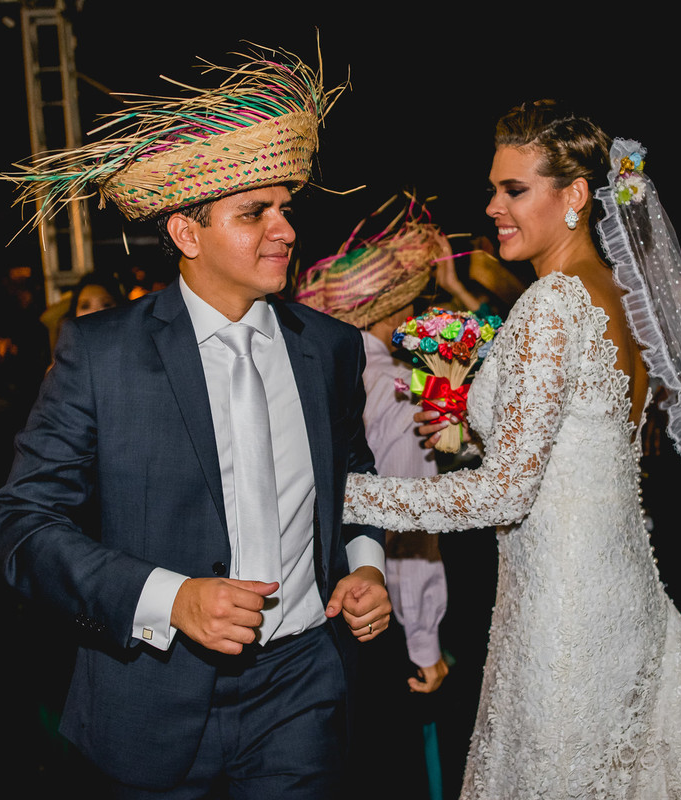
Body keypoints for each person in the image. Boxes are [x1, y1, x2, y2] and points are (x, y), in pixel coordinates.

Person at [344, 100, 681, 798]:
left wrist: (345, 493)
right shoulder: (616, 293)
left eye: (513, 190)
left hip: (565, 610)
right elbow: (574, 445)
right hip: (621, 584)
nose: (492, 207)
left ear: (576, 195)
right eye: (493, 189)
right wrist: (470, 428)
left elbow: (505, 493)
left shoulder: (553, 302)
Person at [0, 46, 392, 798]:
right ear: (187, 234)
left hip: (300, 688)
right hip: (150, 694)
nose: (284, 230)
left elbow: (353, 472)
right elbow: (23, 525)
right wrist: (168, 598)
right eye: (254, 213)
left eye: (286, 209)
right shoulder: (102, 353)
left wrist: (365, 562)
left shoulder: (331, 348)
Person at [296, 194, 452, 798]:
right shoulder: (399, 389)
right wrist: (424, 640)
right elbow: (409, 522)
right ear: (399, 308)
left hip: (318, 612)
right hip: (381, 612)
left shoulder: (316, 377)